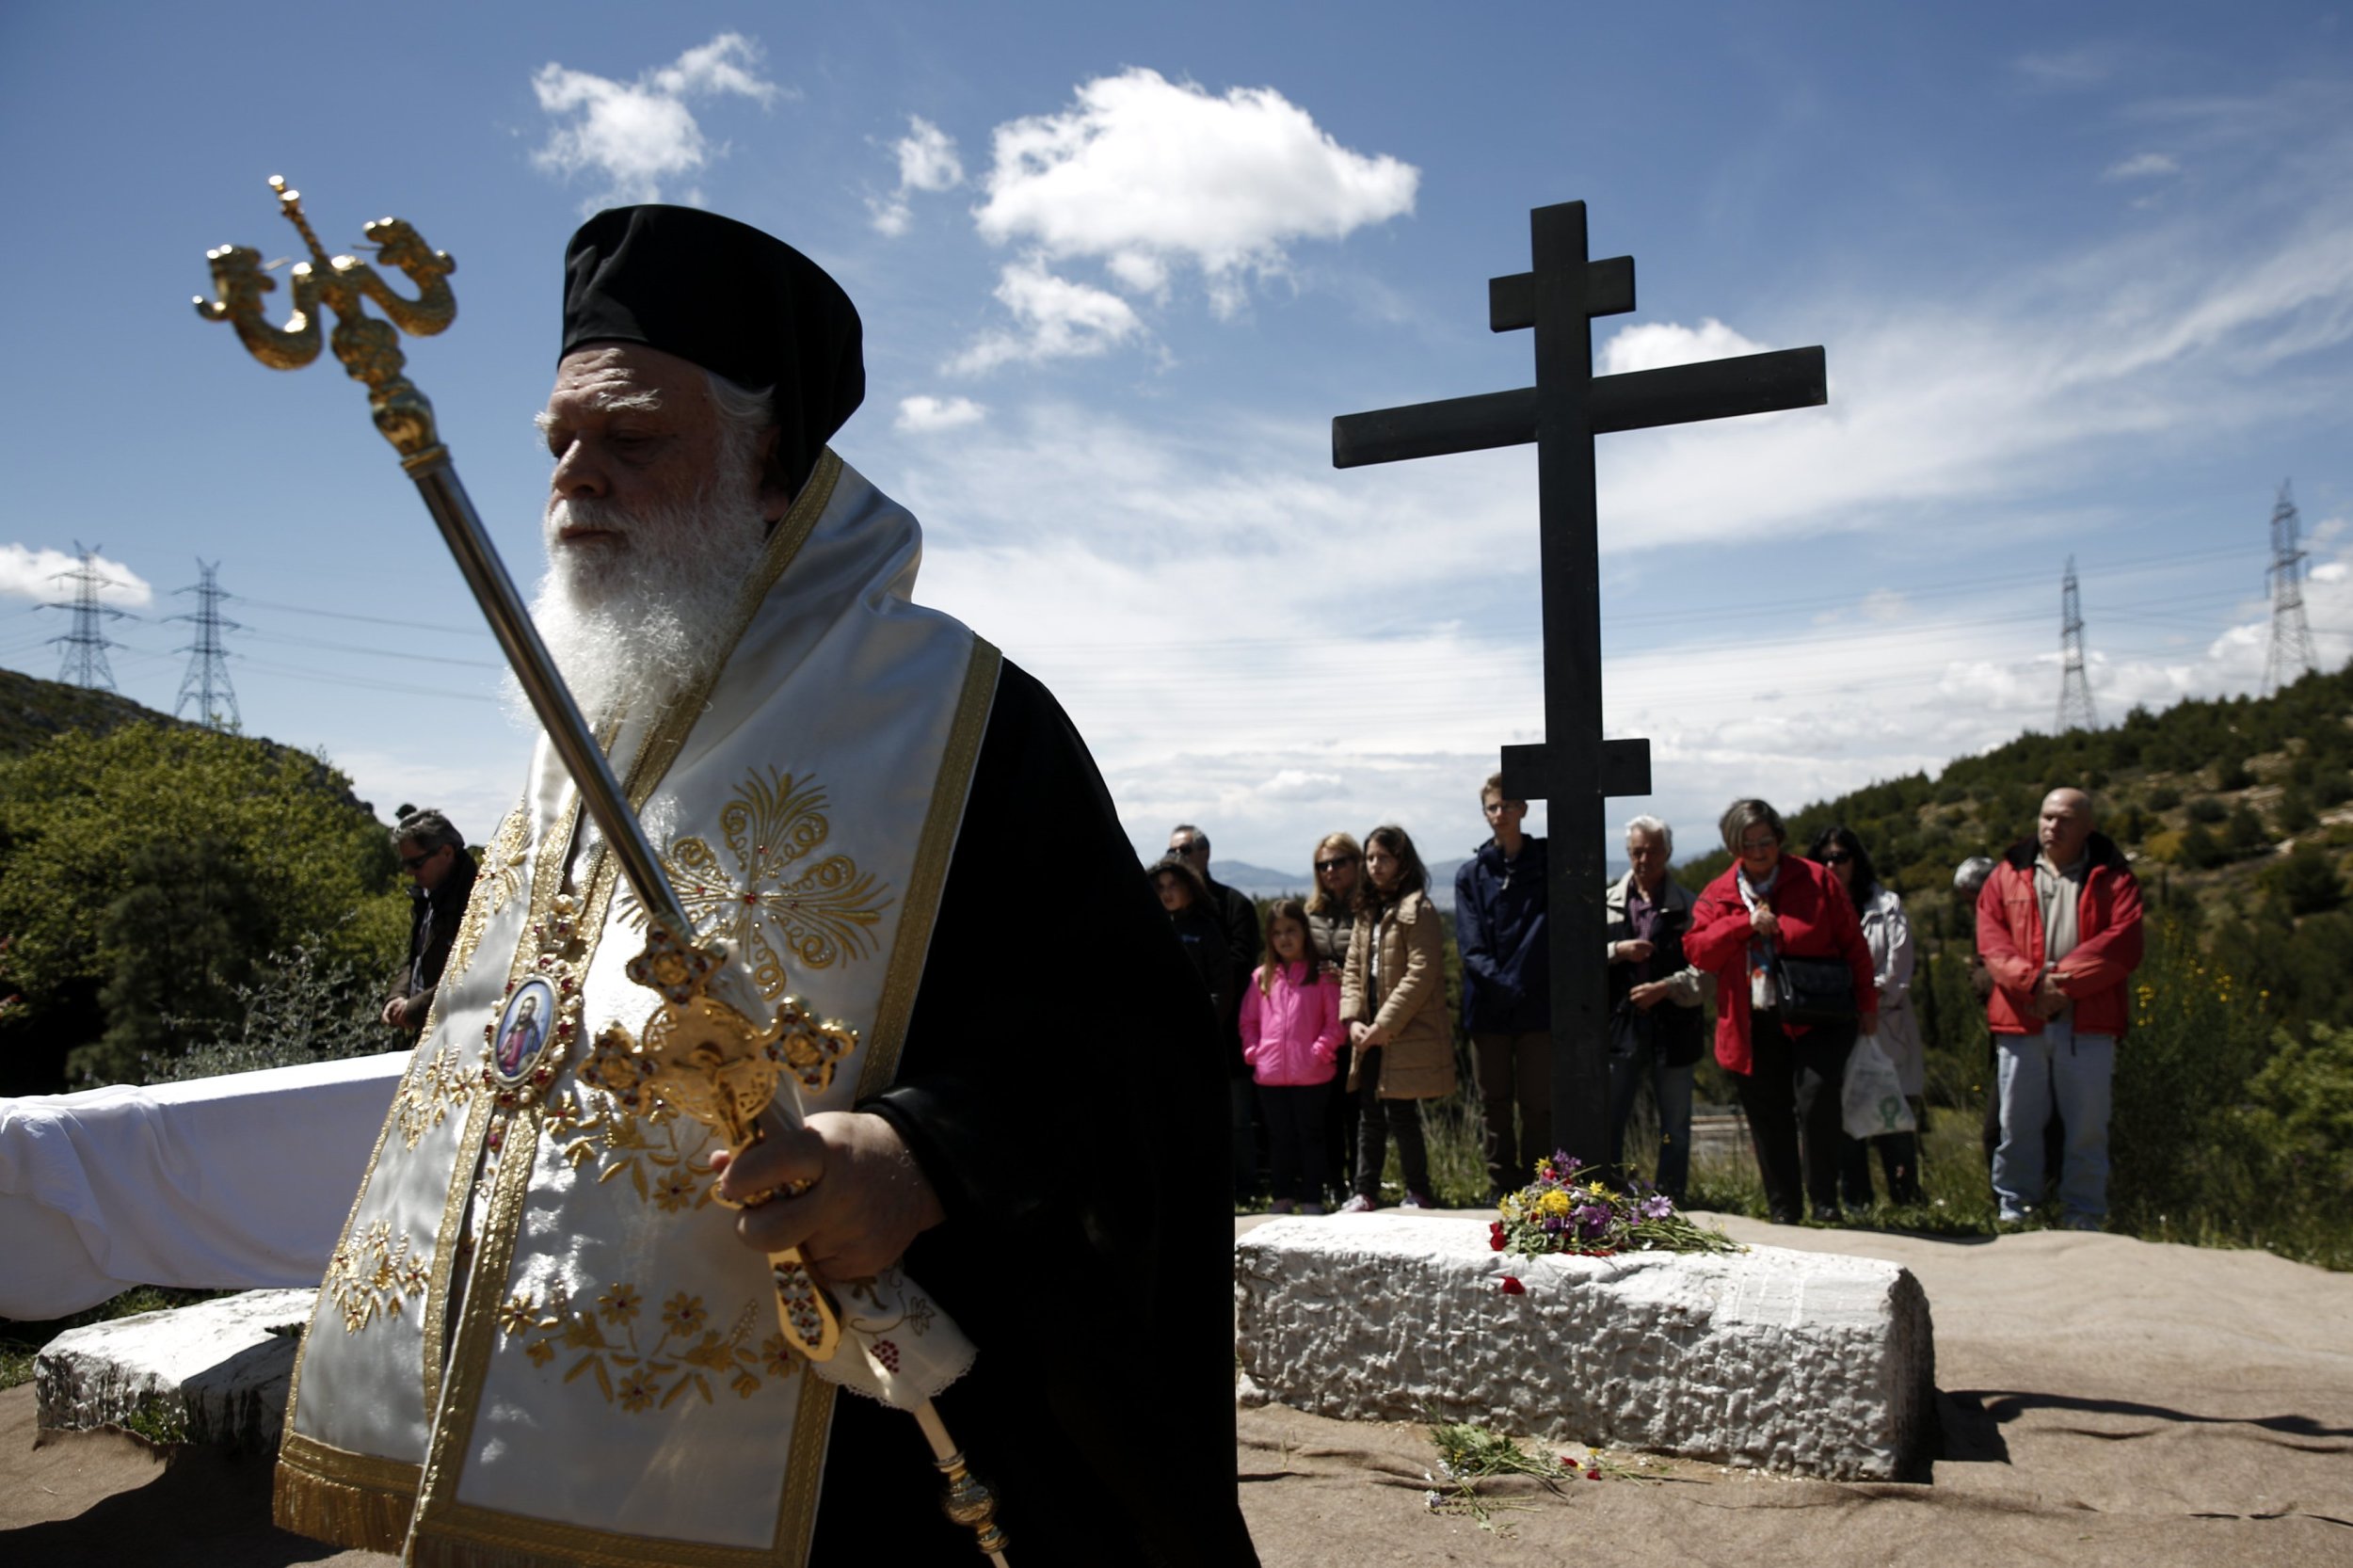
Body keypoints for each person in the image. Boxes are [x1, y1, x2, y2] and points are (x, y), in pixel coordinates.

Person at [277, 204, 1257, 1566]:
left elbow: (1134, 1056)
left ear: (771, 468)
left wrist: (924, 1156)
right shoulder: (582, 722)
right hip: (539, 1459)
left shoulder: (956, 718)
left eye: (632, 440)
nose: (576, 481)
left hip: (835, 1469)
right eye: (559, 442)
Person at [1685, 799, 1878, 1225]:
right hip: (1752, 1023)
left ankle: (1825, 1201)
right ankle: (1784, 1209)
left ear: (1780, 838)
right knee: (1768, 1117)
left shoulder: (1817, 880)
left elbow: (1854, 947)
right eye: (1747, 843)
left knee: (1817, 1102)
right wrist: (1745, 925)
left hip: (1818, 1016)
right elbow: (1698, 950)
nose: (1758, 851)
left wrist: (1868, 1004)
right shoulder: (1719, 893)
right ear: (1734, 845)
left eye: (1765, 841)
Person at [1977, 788, 2144, 1230]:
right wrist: (2033, 984)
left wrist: (2060, 984)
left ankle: (2084, 1213)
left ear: (2088, 825)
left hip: (2088, 1025)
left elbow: (2123, 943)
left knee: (2088, 1128)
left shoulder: (2114, 877)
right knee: (2017, 1124)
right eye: (2047, 817)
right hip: (2021, 1020)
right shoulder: (2006, 874)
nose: (2053, 826)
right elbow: (1991, 942)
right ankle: (2015, 1209)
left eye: (2065, 819)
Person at [1337, 824, 1455, 1212]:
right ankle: (1364, 1190)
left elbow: (1420, 972)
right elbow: (1353, 968)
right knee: (1368, 1113)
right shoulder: (1366, 910)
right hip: (1367, 1027)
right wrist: (1353, 1019)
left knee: (1402, 1114)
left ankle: (1418, 1190)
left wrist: (1384, 1026)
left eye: (1383, 858)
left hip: (1400, 1030)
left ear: (1402, 862)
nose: (1375, 866)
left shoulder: (1417, 909)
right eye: (1370, 858)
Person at [1810, 824, 1923, 1207]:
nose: (1832, 865)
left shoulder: (1886, 905)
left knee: (1895, 1119)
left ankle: (1906, 1200)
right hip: (1835, 1031)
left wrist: (1864, 996)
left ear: (1856, 861)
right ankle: (1858, 1203)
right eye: (1824, 859)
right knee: (1845, 1123)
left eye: (1840, 857)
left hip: (1884, 1029)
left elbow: (1899, 970)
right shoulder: (1815, 909)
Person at [1602, 815, 1710, 1207]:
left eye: (1650, 850)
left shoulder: (1691, 907)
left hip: (1675, 1027)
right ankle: (1611, 1196)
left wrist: (1665, 988)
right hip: (1620, 1028)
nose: (1643, 859)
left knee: (1674, 1124)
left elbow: (1705, 971)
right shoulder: (1608, 904)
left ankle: (1670, 1198)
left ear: (1667, 852)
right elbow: (1580, 958)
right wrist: (1618, 950)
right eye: (1635, 851)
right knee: (1611, 1119)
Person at [1455, 775, 1551, 1204]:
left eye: (1509, 805)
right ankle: (1501, 1186)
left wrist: (1521, 983)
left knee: (1538, 1103)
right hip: (1488, 1007)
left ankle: (1541, 1185)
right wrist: (1504, 983)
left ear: (1525, 809)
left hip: (1536, 1003)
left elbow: (1543, 932)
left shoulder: (1547, 862)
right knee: (1493, 1102)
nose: (1501, 814)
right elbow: (1471, 945)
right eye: (1493, 807)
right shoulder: (1471, 875)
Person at [1168, 823, 1263, 1206]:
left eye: (1184, 850)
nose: (1176, 859)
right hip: (1178, 1031)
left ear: (1204, 854)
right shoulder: (1164, 911)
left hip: (1229, 1028)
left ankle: (1246, 1186)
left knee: (1237, 1118)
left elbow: (1240, 964)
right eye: (1171, 851)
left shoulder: (1235, 905)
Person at [1240, 898, 1343, 1215]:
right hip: (1270, 1075)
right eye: (1277, 932)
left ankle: (1312, 1197)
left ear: (1304, 932)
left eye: (1291, 930)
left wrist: (1319, 1051)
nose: (1284, 938)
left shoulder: (1322, 975)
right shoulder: (1262, 978)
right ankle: (1282, 1195)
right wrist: (1254, 1051)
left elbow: (1336, 1022)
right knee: (1279, 1138)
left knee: (1311, 1137)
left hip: (1312, 1074)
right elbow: (1249, 1021)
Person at [1305, 831, 1364, 1203]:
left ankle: (1362, 1183)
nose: (1331, 870)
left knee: (1357, 1109)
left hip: (1357, 1020)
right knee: (1325, 1110)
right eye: (1323, 864)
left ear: (1357, 863)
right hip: (1320, 1027)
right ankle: (1332, 1182)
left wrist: (1351, 977)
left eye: (1339, 861)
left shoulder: (1369, 909)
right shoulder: (1310, 914)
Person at [380, 808, 475, 1032]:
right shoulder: (428, 896)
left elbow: (472, 974)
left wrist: (413, 1008)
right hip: (429, 1034)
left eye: (416, 863)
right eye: (405, 865)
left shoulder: (479, 900)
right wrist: (397, 996)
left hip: (458, 1037)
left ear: (446, 852)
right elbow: (416, 960)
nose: (409, 873)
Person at [1153, 855, 1234, 1037]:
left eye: (1173, 885)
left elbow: (1221, 989)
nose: (1167, 893)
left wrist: (1201, 1024)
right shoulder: (1152, 928)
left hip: (1198, 1032)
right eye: (1160, 887)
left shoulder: (1206, 929)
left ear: (1188, 886)